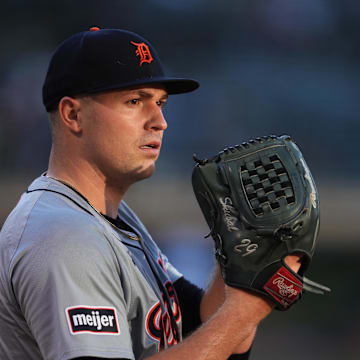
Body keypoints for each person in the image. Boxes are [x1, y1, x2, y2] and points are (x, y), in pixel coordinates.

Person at [0, 27, 302, 360]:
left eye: (160, 103)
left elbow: (199, 330)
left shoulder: (110, 217)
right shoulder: (64, 237)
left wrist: (240, 266)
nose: (159, 121)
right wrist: (247, 310)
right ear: (73, 114)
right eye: (134, 101)